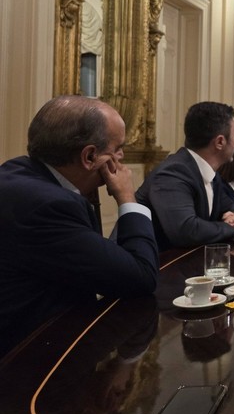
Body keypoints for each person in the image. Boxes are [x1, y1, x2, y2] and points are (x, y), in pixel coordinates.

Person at [0, 96, 158, 356]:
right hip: (32, 361)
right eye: (118, 148)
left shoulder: (19, 172)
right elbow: (141, 277)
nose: (121, 158)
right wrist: (127, 198)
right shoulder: (48, 206)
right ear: (90, 156)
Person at [136, 102, 234, 250]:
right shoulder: (173, 173)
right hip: (151, 261)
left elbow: (228, 204)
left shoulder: (210, 173)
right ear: (220, 142)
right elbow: (186, 230)